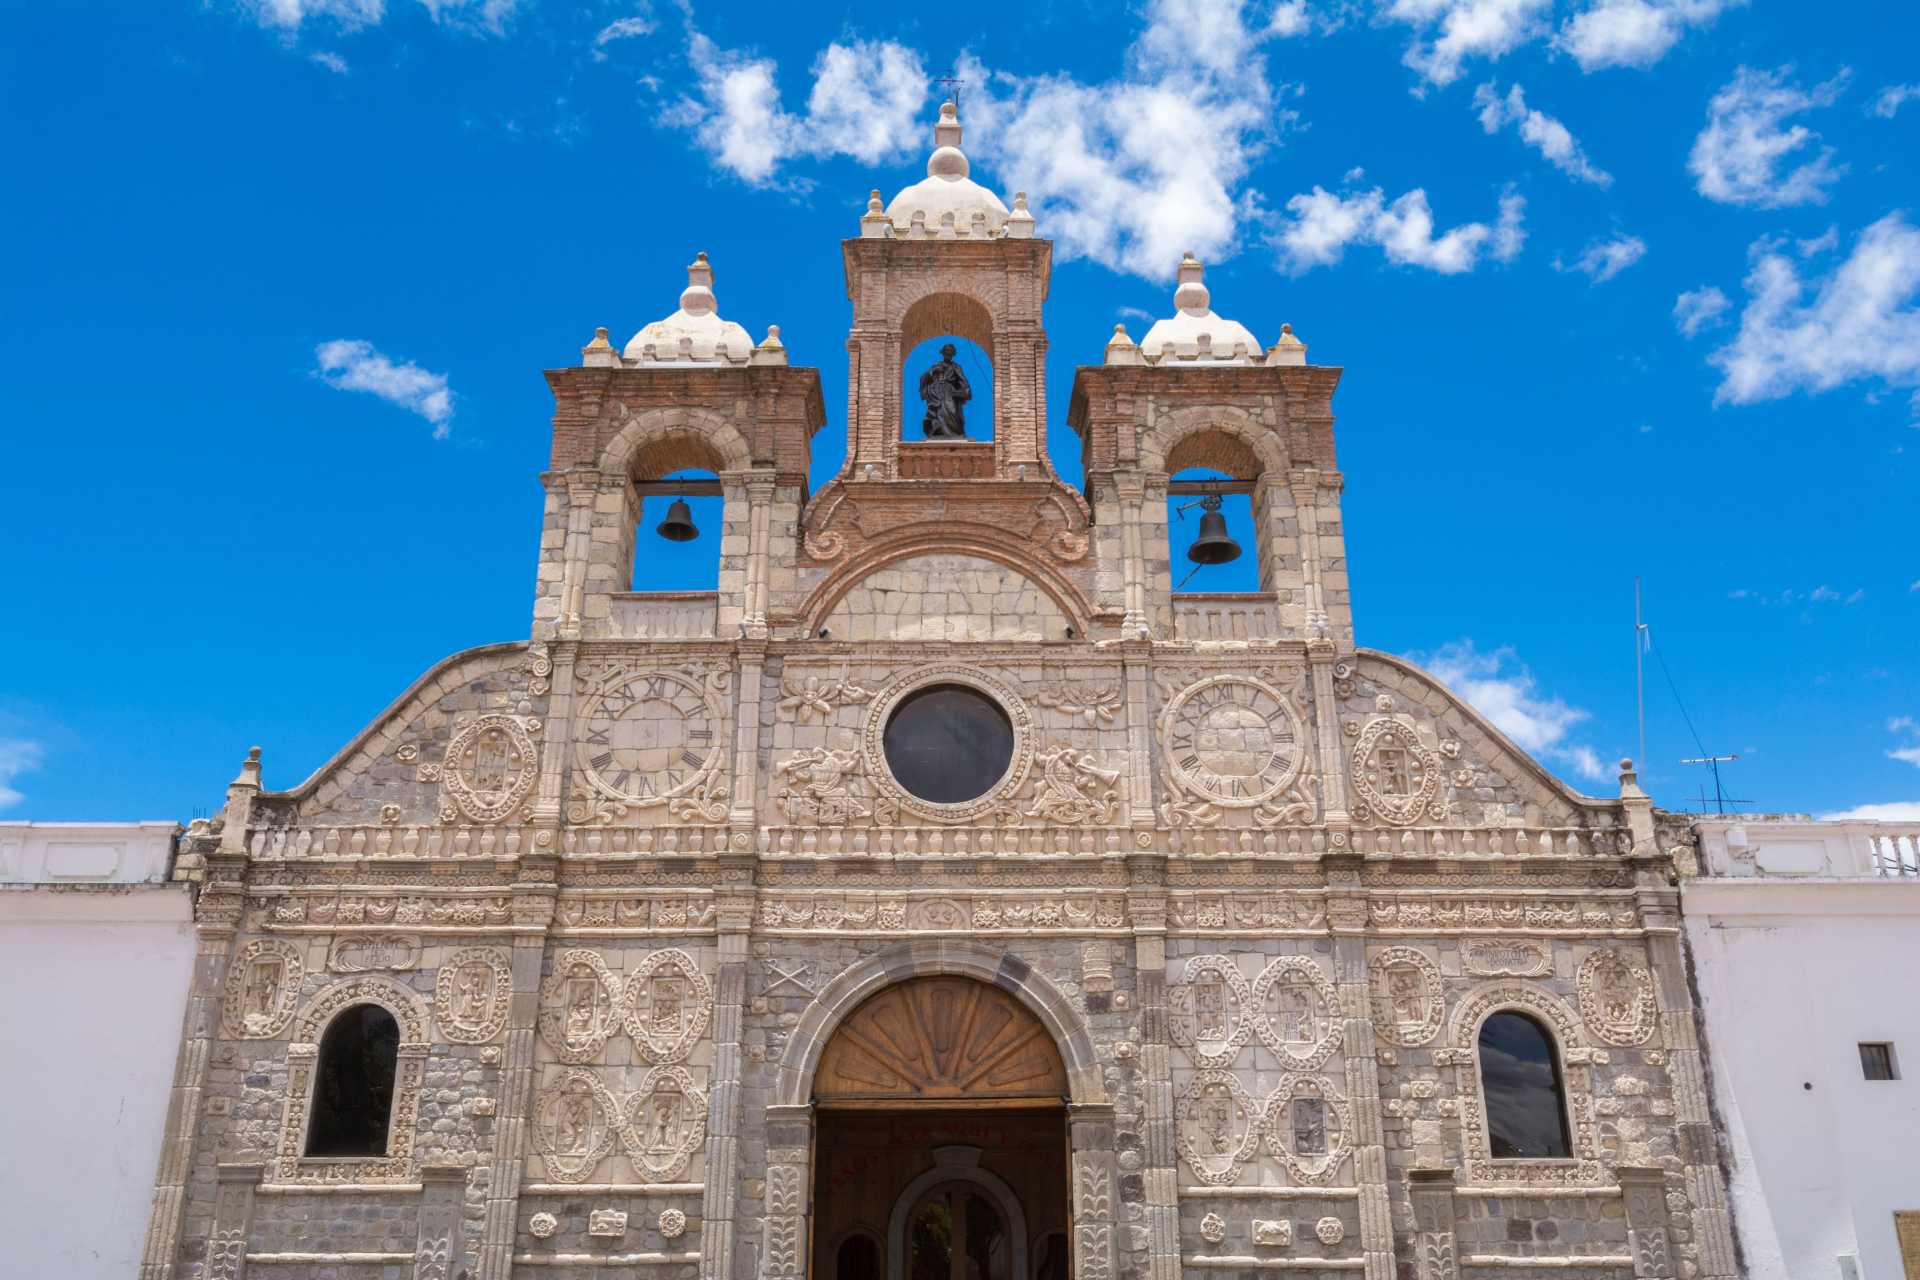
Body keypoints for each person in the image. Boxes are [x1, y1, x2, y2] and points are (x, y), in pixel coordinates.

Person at [919, 343, 971, 437]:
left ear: (953, 354)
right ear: (943, 352)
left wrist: (957, 392)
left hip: (949, 394)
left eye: (951, 351)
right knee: (936, 413)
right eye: (947, 350)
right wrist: (934, 371)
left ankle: (953, 433)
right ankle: (937, 428)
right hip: (935, 394)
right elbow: (924, 377)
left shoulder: (956, 367)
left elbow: (964, 384)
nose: (949, 352)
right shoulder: (936, 366)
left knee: (951, 413)